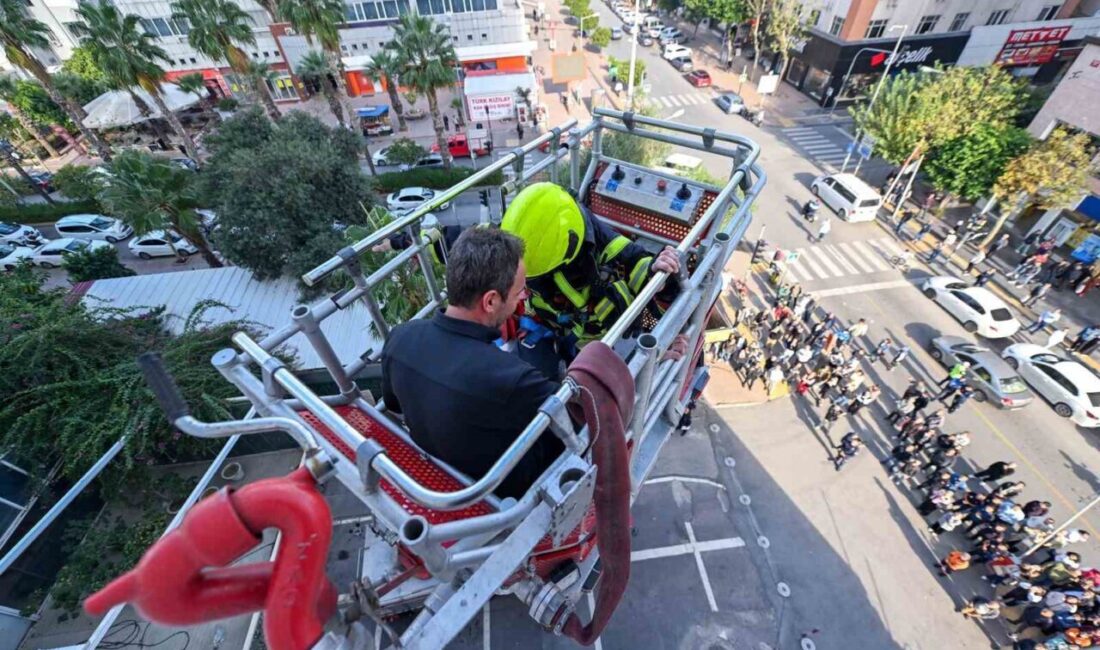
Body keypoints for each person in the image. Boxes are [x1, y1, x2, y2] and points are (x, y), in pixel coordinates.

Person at [380, 228, 564, 499]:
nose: (524, 298)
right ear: (491, 301)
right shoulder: (513, 378)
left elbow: (394, 405)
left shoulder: (400, 338)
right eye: (519, 291)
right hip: (505, 490)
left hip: (438, 467)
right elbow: (574, 421)